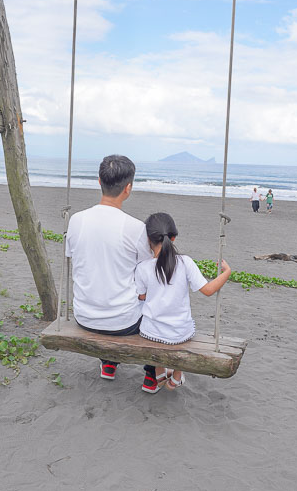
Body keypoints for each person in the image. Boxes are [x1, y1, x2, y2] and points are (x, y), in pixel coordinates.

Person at [65, 154, 158, 392]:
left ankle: (108, 364)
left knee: (105, 282)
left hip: (84, 316)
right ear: (128, 188)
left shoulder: (76, 220)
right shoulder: (136, 228)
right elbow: (148, 270)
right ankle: (151, 374)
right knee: (157, 305)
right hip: (123, 322)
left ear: (99, 181)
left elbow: (73, 256)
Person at [136, 212, 232, 392]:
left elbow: (141, 297)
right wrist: (226, 272)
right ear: (173, 237)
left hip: (150, 332)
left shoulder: (143, 268)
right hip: (180, 333)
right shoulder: (185, 262)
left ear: (148, 239)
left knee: (153, 326)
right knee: (180, 332)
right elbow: (208, 290)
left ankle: (160, 372)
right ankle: (177, 375)